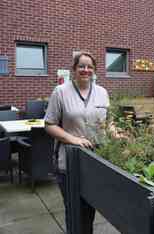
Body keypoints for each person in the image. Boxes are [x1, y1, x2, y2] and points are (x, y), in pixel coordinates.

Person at [44, 51, 109, 234]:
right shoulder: (61, 92)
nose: (85, 70)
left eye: (90, 67)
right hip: (69, 162)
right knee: (75, 209)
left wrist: (116, 133)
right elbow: (49, 125)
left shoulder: (102, 93)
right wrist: (74, 140)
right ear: (74, 69)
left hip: (96, 161)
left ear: (94, 70)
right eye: (81, 66)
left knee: (89, 208)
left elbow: (107, 123)